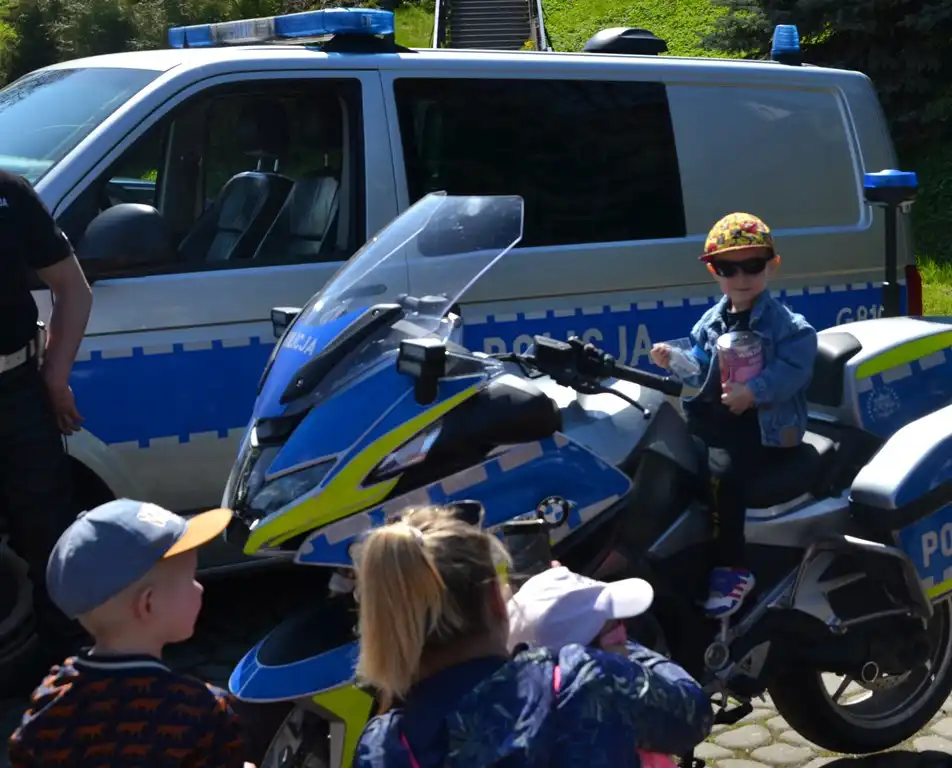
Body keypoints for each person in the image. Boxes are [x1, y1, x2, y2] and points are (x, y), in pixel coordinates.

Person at [352, 505, 713, 767]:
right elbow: (693, 713)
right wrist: (609, 631)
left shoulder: (384, 748)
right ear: (495, 599)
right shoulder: (584, 681)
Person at [650, 212, 818, 618]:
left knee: (725, 477)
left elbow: (795, 367)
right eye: (729, 267)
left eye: (753, 265)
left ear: (771, 265)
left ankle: (734, 568)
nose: (741, 277)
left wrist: (754, 392)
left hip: (765, 430)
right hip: (718, 418)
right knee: (673, 461)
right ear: (714, 271)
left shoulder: (787, 326)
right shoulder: (711, 321)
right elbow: (700, 361)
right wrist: (674, 359)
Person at [8, 499, 254, 768]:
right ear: (148, 604)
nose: (199, 589)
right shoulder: (201, 710)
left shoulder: (51, 701)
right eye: (191, 579)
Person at [0, 170, 92, 671]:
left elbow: (72, 289)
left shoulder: (9, 196)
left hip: (17, 394)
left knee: (52, 544)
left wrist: (55, 376)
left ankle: (68, 691)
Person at [507, 565, 688, 768]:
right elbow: (690, 705)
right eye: (616, 633)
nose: (625, 635)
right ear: (584, 662)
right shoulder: (624, 719)